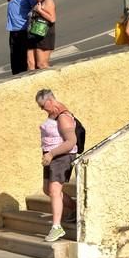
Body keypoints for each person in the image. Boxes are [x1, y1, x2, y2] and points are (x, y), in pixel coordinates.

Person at [35, 89, 78, 242]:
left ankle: (56, 227)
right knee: (48, 189)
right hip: (51, 157)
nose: (42, 109)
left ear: (50, 100)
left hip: (61, 157)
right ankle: (74, 208)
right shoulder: (52, 114)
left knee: (54, 190)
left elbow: (71, 142)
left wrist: (51, 154)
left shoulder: (63, 117)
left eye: (42, 105)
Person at [6, 0, 36, 75]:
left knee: (24, 62)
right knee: (15, 61)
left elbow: (36, 8)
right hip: (13, 30)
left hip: (24, 30)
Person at [27, 0, 56, 70]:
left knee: (42, 65)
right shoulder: (38, 2)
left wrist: (39, 11)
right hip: (35, 34)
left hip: (44, 36)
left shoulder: (48, 1)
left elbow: (52, 19)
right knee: (31, 64)